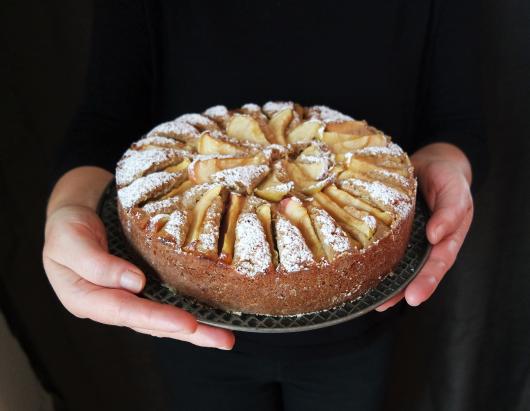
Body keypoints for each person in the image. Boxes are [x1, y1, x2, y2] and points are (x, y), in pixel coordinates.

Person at [42, 1, 483, 410]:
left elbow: (458, 118)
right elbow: (105, 119)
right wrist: (71, 206)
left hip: (360, 332)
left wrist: (449, 160)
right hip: (189, 328)